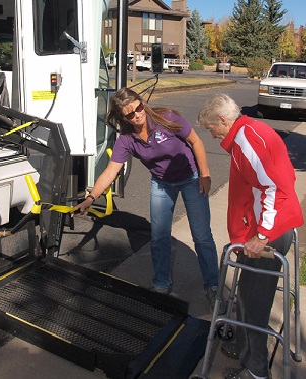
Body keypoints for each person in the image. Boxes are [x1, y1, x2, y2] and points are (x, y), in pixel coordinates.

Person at [74, 87, 220, 312]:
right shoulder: (126, 140)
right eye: (130, 114)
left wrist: (205, 174)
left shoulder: (166, 119)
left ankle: (213, 287)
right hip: (161, 183)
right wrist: (91, 198)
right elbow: (110, 172)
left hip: (190, 178)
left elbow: (196, 142)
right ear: (123, 118)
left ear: (142, 103)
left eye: (139, 107)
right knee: (159, 236)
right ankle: (162, 285)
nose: (138, 115)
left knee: (201, 236)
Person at [198, 93, 304, 379]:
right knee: (249, 296)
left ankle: (256, 370)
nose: (212, 134)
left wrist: (262, 235)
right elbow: (281, 178)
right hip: (262, 230)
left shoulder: (247, 140)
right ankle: (245, 347)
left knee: (252, 305)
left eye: (211, 128)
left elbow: (276, 187)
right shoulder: (250, 132)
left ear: (222, 119)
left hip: (267, 234)